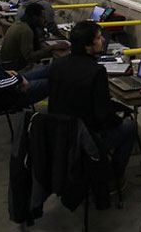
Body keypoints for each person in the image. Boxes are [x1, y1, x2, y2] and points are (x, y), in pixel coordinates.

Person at [48, 20, 136, 185]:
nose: (103, 40)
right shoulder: (96, 71)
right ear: (88, 45)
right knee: (130, 126)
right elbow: (101, 116)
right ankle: (113, 177)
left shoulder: (57, 64)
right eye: (99, 37)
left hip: (59, 132)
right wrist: (120, 116)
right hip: (86, 136)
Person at [0, 3, 69, 71]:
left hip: (8, 63)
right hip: (16, 67)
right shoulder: (26, 31)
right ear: (35, 17)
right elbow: (30, 57)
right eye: (43, 17)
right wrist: (52, 47)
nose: (44, 19)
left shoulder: (19, 24)